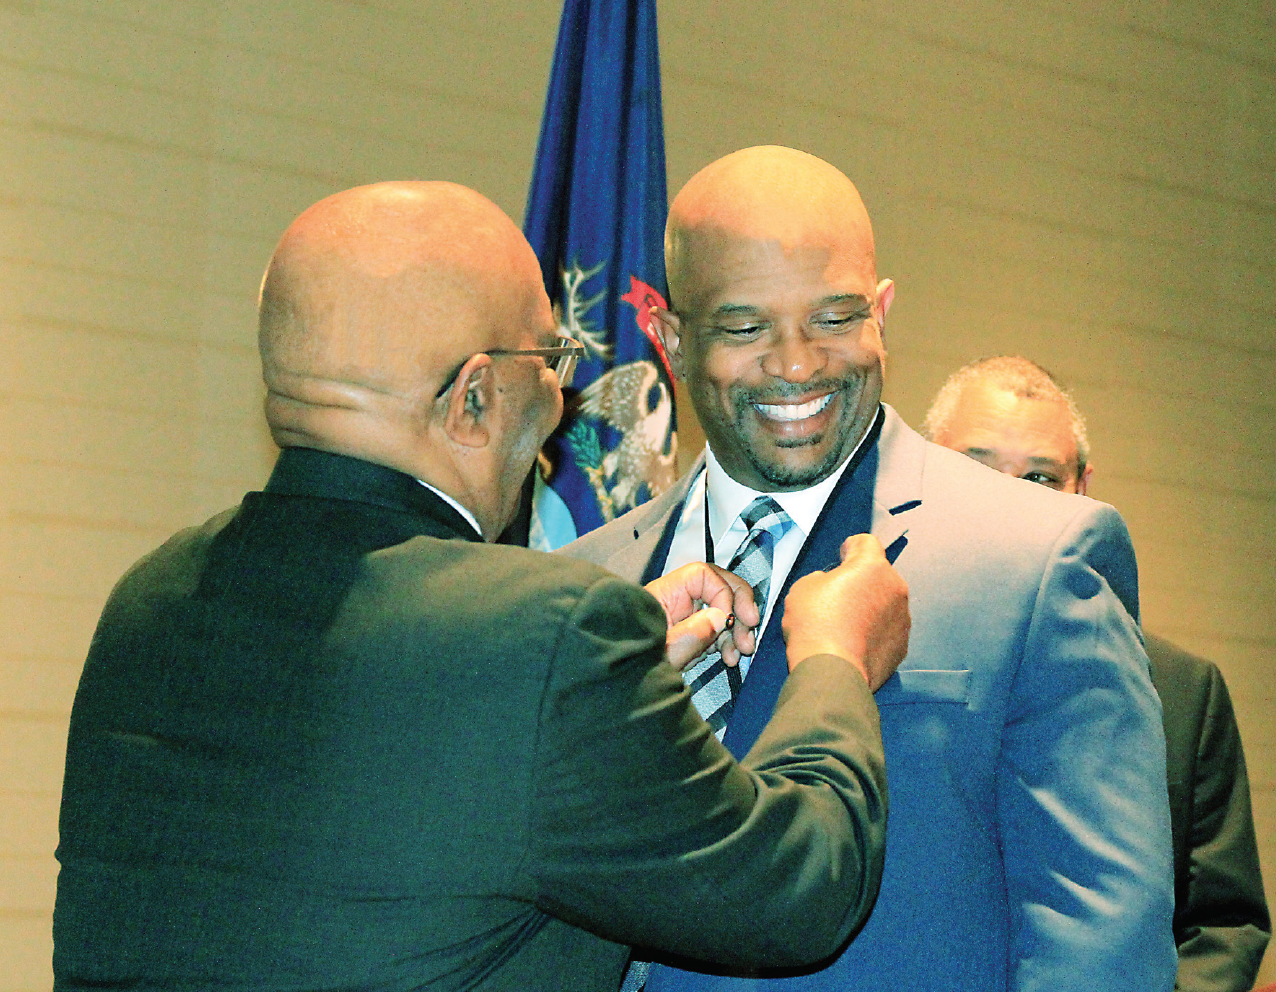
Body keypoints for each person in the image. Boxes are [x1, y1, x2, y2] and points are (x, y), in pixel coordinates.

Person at [52, 181, 913, 991]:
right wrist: (833, 661)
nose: (561, 398)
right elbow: (794, 892)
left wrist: (583, 673)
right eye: (550, 359)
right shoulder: (539, 639)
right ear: (470, 398)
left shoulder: (151, 600)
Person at [562, 146, 1177, 992]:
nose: (798, 363)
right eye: (746, 327)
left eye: (835, 317)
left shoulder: (1037, 561)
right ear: (669, 338)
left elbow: (1101, 943)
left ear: (882, 311)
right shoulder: (579, 584)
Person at [923, 354, 1271, 991]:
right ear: (923, 472)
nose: (1008, 498)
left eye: (1040, 478)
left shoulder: (1183, 691)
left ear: (1082, 491)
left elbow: (1222, 924)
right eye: (975, 468)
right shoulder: (863, 651)